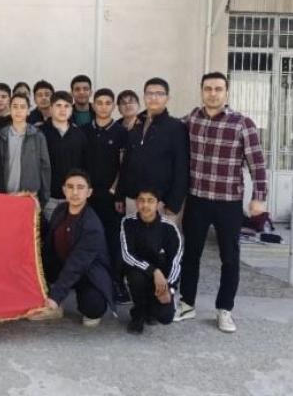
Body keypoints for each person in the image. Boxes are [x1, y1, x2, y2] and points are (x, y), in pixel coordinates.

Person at [176, 72, 268, 333]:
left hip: (228, 202)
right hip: (197, 199)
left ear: (226, 92)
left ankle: (224, 309)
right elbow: (168, 131)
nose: (213, 93)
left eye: (218, 89)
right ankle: (187, 303)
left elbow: (257, 164)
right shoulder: (191, 119)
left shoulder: (242, 124)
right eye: (208, 88)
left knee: (229, 257)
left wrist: (259, 198)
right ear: (201, 91)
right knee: (191, 254)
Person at [30, 170, 115, 327]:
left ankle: (57, 300)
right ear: (64, 190)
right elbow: (48, 235)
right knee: (35, 265)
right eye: (70, 187)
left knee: (93, 306)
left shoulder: (92, 226)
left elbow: (77, 264)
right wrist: (37, 213)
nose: (75, 192)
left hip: (87, 273)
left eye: (80, 187)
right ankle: (55, 306)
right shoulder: (60, 210)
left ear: (89, 192)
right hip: (61, 264)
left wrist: (55, 297)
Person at [82, 88, 129, 302]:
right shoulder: (84, 131)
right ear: (93, 105)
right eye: (99, 103)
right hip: (87, 196)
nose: (103, 107)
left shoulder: (121, 133)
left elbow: (124, 166)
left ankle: (116, 282)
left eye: (107, 103)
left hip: (111, 198)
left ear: (113, 106)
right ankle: (88, 281)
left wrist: (117, 193)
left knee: (113, 241)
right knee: (89, 239)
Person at [118, 77, 189, 217]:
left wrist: (174, 203)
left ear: (168, 98)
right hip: (133, 199)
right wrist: (120, 194)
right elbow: (126, 162)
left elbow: (181, 167)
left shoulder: (176, 127)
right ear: (144, 96)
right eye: (149, 93)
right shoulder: (136, 125)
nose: (154, 98)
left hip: (161, 202)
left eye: (159, 93)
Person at [121, 187, 182, 334]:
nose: (145, 205)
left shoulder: (169, 228)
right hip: (140, 274)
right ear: (136, 203)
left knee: (165, 317)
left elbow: (176, 261)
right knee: (135, 277)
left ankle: (151, 310)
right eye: (141, 200)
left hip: (162, 282)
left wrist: (169, 287)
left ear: (158, 204)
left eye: (150, 201)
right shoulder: (128, 222)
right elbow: (127, 255)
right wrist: (154, 271)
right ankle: (138, 314)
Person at [39, 91, 88, 221]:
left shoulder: (79, 135)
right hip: (48, 198)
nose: (62, 109)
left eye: (67, 106)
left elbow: (84, 166)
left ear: (71, 110)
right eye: (58, 105)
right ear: (50, 109)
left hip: (73, 197)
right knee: (50, 231)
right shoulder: (40, 133)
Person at [0, 93, 51, 206]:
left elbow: (45, 167)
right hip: (4, 195)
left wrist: (44, 196)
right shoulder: (1, 135)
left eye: (22, 107)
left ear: (28, 111)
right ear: (9, 109)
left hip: (29, 195)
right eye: (15, 106)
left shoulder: (37, 135)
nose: (18, 110)